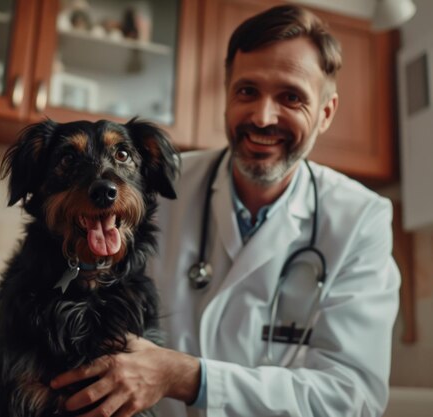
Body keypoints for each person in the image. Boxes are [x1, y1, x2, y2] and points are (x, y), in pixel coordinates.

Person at [51, 5, 401, 417]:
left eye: (291, 97)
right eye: (247, 91)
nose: (262, 116)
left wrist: (187, 376)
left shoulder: (361, 220)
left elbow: (352, 397)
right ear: (226, 94)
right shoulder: (157, 187)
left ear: (325, 113)